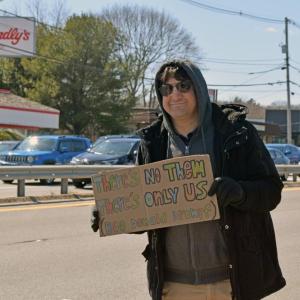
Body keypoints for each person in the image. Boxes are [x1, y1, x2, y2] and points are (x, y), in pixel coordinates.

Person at [91, 60, 286, 300]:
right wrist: (111, 212)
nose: (175, 94)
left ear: (199, 89)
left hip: (231, 280)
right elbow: (147, 209)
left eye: (183, 86)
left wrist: (240, 193)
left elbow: (271, 191)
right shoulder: (153, 143)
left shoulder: (235, 133)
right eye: (166, 88)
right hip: (173, 285)